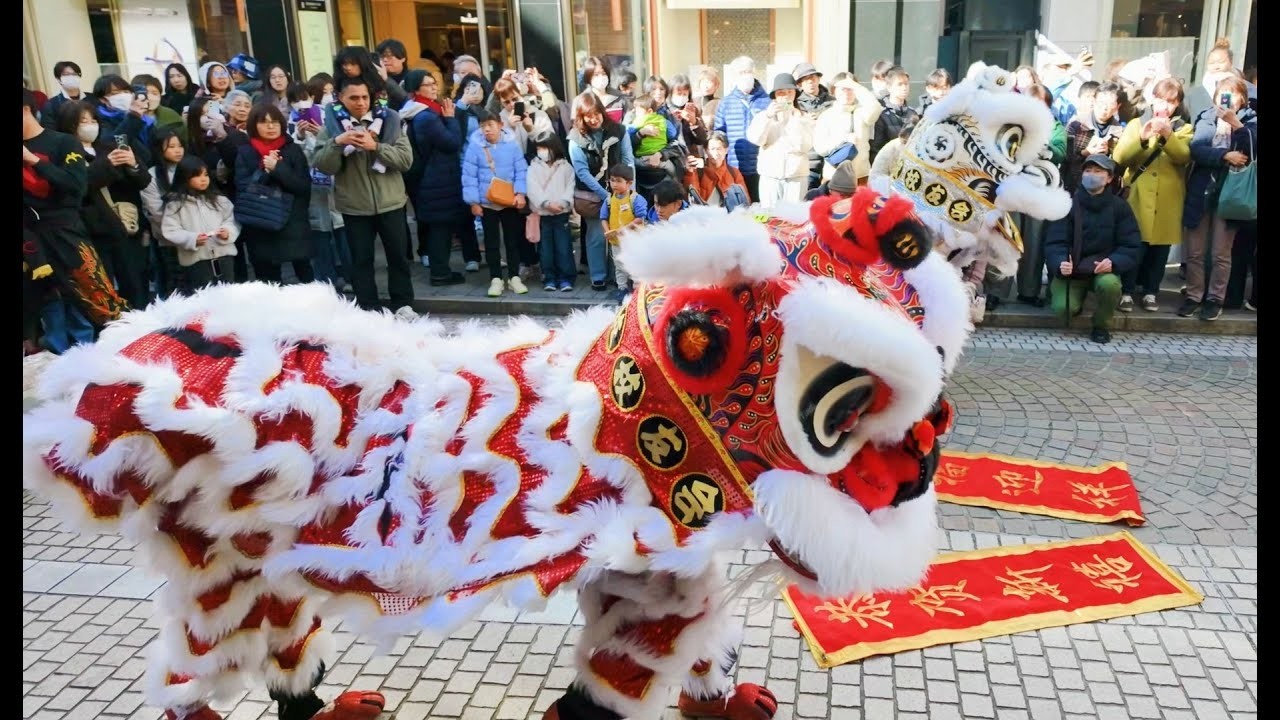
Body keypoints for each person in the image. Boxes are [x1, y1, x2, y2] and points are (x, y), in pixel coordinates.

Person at [23, 88, 127, 353]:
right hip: (30, 241)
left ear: (26, 110)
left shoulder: (63, 143)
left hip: (65, 232)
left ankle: (131, 352)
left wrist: (33, 160)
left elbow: (76, 186)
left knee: (102, 303)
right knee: (41, 313)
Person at [312, 76, 417, 316]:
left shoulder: (388, 121)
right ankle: (368, 308)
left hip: (391, 202)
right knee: (361, 260)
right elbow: (323, 165)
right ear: (341, 98)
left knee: (398, 258)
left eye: (364, 97)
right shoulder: (331, 127)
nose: (360, 102)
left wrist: (376, 147)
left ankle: (403, 304)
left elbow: (406, 160)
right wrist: (338, 143)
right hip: (354, 206)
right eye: (354, 98)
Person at [60, 99, 153, 310]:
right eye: (83, 121)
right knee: (104, 288)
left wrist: (133, 164)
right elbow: (78, 187)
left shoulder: (107, 146)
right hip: (92, 230)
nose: (90, 125)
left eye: (93, 120)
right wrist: (107, 165)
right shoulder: (64, 153)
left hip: (126, 225)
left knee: (135, 282)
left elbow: (143, 180)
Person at [1178, 75, 1257, 322]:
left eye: (1233, 94)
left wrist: (1236, 124)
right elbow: (1197, 149)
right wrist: (1224, 156)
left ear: (1243, 98)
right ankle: (1194, 296)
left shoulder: (1251, 120)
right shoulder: (1206, 117)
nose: (1228, 99)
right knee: (1195, 251)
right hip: (1201, 191)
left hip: (1231, 193)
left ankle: (1215, 299)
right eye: (1223, 93)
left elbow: (1251, 150)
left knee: (1221, 253)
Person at [1111, 77, 1192, 313]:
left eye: (1171, 101)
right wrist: (1142, 138)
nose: (1165, 106)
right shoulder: (1136, 124)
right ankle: (1126, 291)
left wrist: (1168, 136)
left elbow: (1183, 156)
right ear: (1152, 99)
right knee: (1134, 245)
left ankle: (1151, 292)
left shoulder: (1184, 128)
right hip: (1137, 195)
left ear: (1178, 104)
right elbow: (1120, 157)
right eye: (1161, 99)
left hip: (1168, 199)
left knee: (1160, 250)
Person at [1044, 154, 1141, 343]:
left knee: (1110, 285)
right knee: (1063, 309)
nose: (1092, 175)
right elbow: (1055, 242)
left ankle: (1101, 325)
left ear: (1109, 178)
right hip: (1072, 272)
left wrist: (1114, 262)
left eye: (1098, 171)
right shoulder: (1067, 205)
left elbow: (1130, 244)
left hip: (1102, 270)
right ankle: (1076, 301)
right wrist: (1060, 262)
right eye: (1088, 171)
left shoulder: (1120, 207)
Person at [235, 103, 314, 285]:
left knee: (305, 278)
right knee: (268, 282)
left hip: (293, 222)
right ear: (254, 125)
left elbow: (303, 186)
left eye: (275, 122)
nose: (270, 127)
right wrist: (265, 171)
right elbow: (244, 188)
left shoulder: (292, 149)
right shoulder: (246, 151)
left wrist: (278, 168)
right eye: (264, 122)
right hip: (261, 223)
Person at [406, 70, 469, 285]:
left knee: (438, 227)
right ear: (416, 90)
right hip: (436, 180)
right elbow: (452, 143)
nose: (434, 87)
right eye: (428, 84)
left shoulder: (418, 111)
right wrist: (450, 119)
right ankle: (440, 273)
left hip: (431, 178)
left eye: (434, 83)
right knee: (440, 228)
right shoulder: (426, 116)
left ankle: (441, 270)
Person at [567, 91, 635, 290]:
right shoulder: (575, 139)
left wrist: (629, 191)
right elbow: (582, 172)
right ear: (581, 117)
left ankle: (618, 275)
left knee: (620, 235)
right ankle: (598, 275)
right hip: (593, 196)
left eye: (596, 113)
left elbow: (628, 160)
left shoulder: (619, 130)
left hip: (621, 191)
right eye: (588, 115)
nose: (594, 118)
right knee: (597, 235)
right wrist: (605, 195)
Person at [463, 109, 530, 298]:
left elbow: (521, 170)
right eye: (483, 126)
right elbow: (469, 176)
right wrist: (473, 202)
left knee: (512, 239)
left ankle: (514, 276)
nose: (487, 129)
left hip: (509, 201)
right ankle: (496, 278)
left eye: (490, 125)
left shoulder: (512, 145)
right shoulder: (474, 147)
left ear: (500, 125)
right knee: (491, 241)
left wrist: (520, 193)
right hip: (487, 202)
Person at [160, 156, 240, 292]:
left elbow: (232, 220)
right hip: (196, 260)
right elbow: (171, 230)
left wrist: (228, 232)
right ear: (185, 178)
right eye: (197, 176)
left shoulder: (220, 200)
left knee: (227, 292)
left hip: (224, 255)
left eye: (206, 175)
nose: (203, 179)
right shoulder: (175, 205)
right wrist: (192, 239)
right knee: (202, 295)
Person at [747, 73, 815, 207]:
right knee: (769, 214)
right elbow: (756, 139)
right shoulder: (763, 116)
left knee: (793, 215)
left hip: (796, 176)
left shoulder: (803, 117)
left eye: (790, 92)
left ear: (795, 94)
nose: (786, 96)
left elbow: (805, 146)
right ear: (775, 96)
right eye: (781, 93)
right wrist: (768, 116)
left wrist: (797, 119)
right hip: (770, 175)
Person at [713, 56, 771, 202]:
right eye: (741, 72)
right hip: (734, 166)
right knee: (738, 207)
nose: (745, 75)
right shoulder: (726, 103)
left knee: (761, 207)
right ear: (734, 76)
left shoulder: (767, 101)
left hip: (761, 167)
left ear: (754, 72)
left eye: (748, 71)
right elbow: (719, 133)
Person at [140, 127, 189, 297]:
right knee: (174, 282)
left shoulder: (190, 168)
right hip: (169, 237)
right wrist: (179, 229)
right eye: (171, 147)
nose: (178, 150)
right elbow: (155, 211)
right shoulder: (152, 175)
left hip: (196, 235)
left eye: (180, 146)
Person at [526, 131, 576, 292]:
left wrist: (563, 203)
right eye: (539, 148)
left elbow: (570, 186)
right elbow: (532, 188)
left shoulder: (566, 167)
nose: (542, 151)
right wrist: (546, 203)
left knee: (564, 248)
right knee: (545, 249)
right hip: (543, 215)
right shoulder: (533, 167)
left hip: (561, 214)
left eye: (545, 147)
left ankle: (566, 278)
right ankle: (549, 277)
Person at [813, 72, 882, 187]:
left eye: (850, 89)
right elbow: (820, 147)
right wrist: (843, 140)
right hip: (834, 176)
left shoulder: (863, 112)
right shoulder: (826, 116)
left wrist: (856, 86)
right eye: (842, 89)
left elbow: (876, 107)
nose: (846, 93)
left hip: (861, 176)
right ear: (834, 90)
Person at [1064, 82, 1125, 194]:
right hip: (1074, 186)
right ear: (1094, 101)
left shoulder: (1120, 132)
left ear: (1118, 106)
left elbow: (1121, 166)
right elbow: (1065, 157)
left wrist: (1108, 154)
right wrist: (1086, 152)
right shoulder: (1076, 124)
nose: (1105, 108)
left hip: (1104, 191)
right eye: (1101, 102)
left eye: (1110, 104)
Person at [600, 163, 647, 302]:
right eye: (612, 180)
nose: (614, 184)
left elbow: (640, 218)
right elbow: (603, 217)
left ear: (629, 183)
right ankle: (622, 289)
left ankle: (638, 290)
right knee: (619, 265)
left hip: (634, 240)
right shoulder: (609, 200)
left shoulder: (636, 199)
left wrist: (625, 229)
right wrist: (608, 231)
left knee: (635, 264)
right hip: (616, 241)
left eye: (619, 181)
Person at [791, 62, 833, 190]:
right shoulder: (795, 104)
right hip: (808, 163)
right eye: (805, 79)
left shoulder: (833, 101)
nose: (810, 82)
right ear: (800, 84)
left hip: (830, 161)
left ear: (819, 79)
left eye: (813, 77)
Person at [685, 130, 750, 210]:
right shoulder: (698, 171)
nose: (716, 153)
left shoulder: (734, 172)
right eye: (712, 149)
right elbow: (693, 198)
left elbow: (745, 201)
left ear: (726, 150)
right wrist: (690, 172)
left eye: (719, 149)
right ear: (705, 151)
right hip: (704, 214)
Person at [870, 66, 920, 162]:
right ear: (889, 87)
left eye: (906, 84)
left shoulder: (913, 113)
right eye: (900, 84)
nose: (904, 88)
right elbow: (876, 149)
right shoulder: (881, 114)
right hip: (887, 164)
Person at [131, 73, 186, 141]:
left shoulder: (171, 115)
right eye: (145, 93)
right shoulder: (126, 119)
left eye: (155, 93)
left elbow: (184, 140)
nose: (150, 97)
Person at [41, 61, 88, 131]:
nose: (71, 77)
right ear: (58, 79)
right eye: (66, 74)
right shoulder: (51, 105)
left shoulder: (93, 98)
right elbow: (50, 131)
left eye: (75, 74)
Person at [693, 66, 721, 131]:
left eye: (709, 82)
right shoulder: (693, 102)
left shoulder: (720, 103)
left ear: (716, 85)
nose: (706, 86)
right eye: (703, 82)